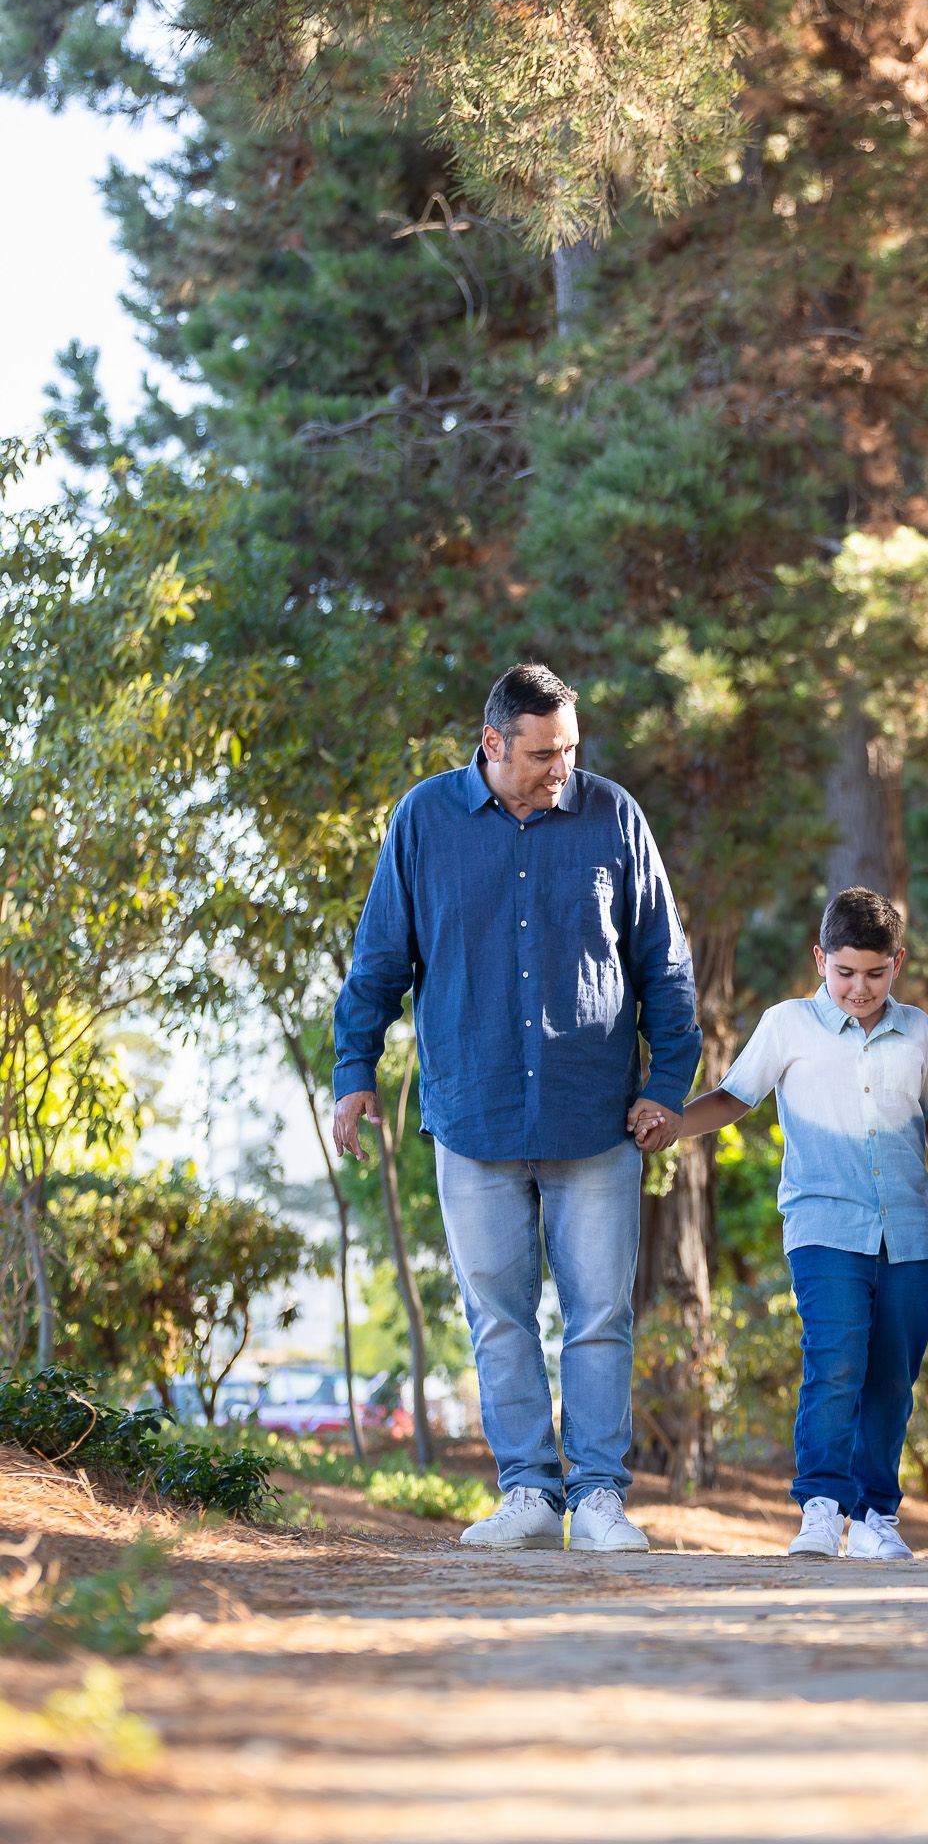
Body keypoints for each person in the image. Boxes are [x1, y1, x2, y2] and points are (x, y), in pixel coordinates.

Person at [332, 663, 701, 1554]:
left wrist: (665, 1086)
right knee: (498, 1318)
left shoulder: (613, 814)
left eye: (569, 750)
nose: (560, 770)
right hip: (474, 1114)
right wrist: (354, 1069)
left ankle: (600, 1496)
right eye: (542, 755)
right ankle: (529, 1493)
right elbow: (379, 959)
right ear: (492, 743)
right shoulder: (424, 819)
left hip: (594, 1116)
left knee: (599, 1316)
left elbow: (664, 964)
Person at [636, 887, 928, 1560]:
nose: (859, 988)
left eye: (875, 973)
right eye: (844, 972)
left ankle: (874, 1517)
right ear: (819, 959)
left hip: (907, 1229)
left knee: (892, 1376)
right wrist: (672, 1123)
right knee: (836, 1362)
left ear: (897, 963)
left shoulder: (918, 1032)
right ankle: (820, 1507)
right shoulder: (788, 1025)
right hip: (823, 1225)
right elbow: (733, 1098)